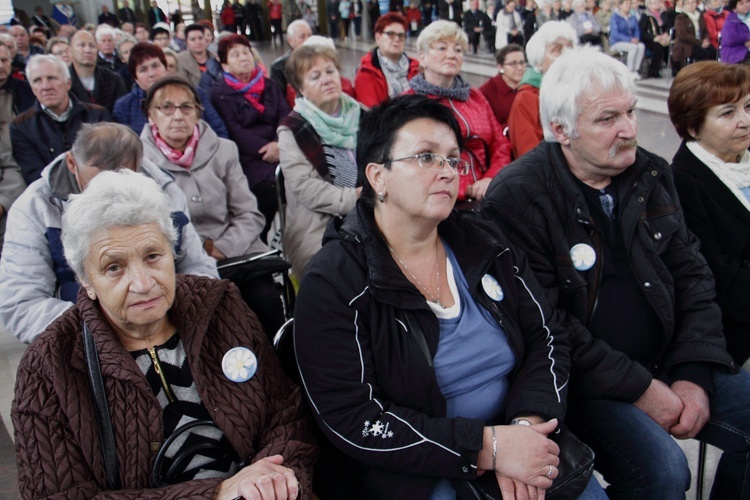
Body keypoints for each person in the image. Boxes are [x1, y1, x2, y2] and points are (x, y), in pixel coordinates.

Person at [294, 93, 605, 499]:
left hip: (519, 428)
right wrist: (485, 448)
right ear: (377, 176)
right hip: (412, 468)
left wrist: (525, 429)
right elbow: (353, 417)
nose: (446, 171)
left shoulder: (483, 241)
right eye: (425, 157)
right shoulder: (335, 280)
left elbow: (546, 335)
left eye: (452, 159)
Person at [481, 45, 750, 499]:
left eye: (630, 112)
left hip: (669, 357)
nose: (629, 130)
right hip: (585, 383)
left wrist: (694, 372)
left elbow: (693, 278)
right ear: (561, 130)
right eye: (608, 119)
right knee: (664, 472)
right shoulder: (519, 196)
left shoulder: (651, 173)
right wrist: (644, 389)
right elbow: (547, 325)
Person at [11, 167, 317, 498]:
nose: (143, 284)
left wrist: (273, 479)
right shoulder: (49, 366)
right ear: (86, 279)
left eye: (153, 256)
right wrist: (216, 493)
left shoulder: (220, 308)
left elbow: (286, 414)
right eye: (114, 268)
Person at [0, 122, 218, 344]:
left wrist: (169, 318)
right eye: (96, 183)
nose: (110, 194)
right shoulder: (33, 208)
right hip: (83, 342)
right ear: (72, 163)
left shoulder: (166, 191)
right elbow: (22, 303)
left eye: (124, 179)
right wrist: (108, 331)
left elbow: (198, 267)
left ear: (138, 165)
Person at [141, 76, 285, 336]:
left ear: (197, 113)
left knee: (266, 301)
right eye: (166, 107)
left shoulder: (223, 150)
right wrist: (197, 254)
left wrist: (222, 247)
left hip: (235, 254)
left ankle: (278, 372)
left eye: (186, 107)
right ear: (151, 115)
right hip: (181, 263)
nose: (177, 116)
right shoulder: (140, 162)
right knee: (206, 320)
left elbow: (249, 214)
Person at [668, 61, 750, 366]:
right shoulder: (682, 183)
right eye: (728, 113)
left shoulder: (746, 158)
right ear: (693, 126)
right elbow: (716, 277)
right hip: (734, 336)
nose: (744, 121)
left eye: (748, 107)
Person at [277, 44, 361, 278]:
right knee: (344, 272)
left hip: (370, 209)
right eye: (315, 76)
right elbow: (306, 188)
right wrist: (356, 198)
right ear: (300, 88)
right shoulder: (292, 129)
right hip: (318, 223)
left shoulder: (360, 114)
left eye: (330, 71)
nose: (326, 80)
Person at [406, 20, 511, 202]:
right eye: (441, 48)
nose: (451, 55)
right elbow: (413, 162)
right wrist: (463, 189)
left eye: (458, 50)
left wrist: (490, 179)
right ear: (422, 57)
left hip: (487, 193)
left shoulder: (475, 96)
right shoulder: (409, 102)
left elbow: (500, 144)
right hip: (439, 200)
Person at [210, 36, 289, 242]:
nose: (244, 58)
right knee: (267, 191)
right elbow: (234, 129)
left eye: (246, 52)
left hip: (280, 147)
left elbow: (284, 114)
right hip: (248, 155)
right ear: (225, 64)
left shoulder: (268, 84)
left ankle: (292, 238)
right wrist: (266, 148)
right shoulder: (220, 93)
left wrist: (279, 143)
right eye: (235, 55)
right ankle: (259, 240)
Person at [11, 55, 110, 184]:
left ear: (67, 83)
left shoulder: (97, 115)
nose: (46, 86)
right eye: (37, 80)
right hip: (51, 198)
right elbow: (35, 176)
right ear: (32, 89)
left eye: (51, 78)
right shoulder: (20, 127)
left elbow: (108, 162)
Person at [113, 43, 228, 137]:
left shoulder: (195, 94)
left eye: (155, 66)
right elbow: (125, 149)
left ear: (166, 68)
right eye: (143, 70)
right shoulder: (124, 106)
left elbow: (219, 132)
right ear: (135, 78)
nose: (151, 74)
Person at [507, 21, 576, 159]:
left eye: (570, 48)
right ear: (539, 60)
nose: (567, 55)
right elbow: (529, 156)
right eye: (557, 50)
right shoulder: (528, 98)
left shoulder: (576, 91)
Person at [0, 40, 31, 255]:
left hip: (21, 174)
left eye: (3, 60)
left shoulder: (24, 91)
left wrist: (2, 202)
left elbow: (10, 166)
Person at [354, 13, 420, 107]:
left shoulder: (416, 68)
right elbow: (371, 114)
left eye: (401, 35)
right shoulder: (367, 72)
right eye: (390, 34)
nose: (397, 39)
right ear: (378, 38)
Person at [69, 30, 127, 113]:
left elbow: (122, 112)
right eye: (82, 45)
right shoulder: (63, 81)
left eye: (92, 46)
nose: (87, 50)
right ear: (70, 51)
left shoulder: (113, 79)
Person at [479, 44, 526, 130]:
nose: (519, 68)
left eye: (521, 63)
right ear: (500, 67)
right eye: (513, 64)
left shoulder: (528, 87)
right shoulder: (486, 92)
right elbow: (484, 127)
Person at [270, 20, 312, 101]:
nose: (307, 40)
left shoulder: (321, 60)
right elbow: (278, 100)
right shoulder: (278, 66)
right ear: (290, 40)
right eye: (302, 36)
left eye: (309, 35)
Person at [176, 23, 222, 94]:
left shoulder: (216, 58)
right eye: (193, 39)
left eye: (200, 38)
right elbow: (183, 86)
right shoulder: (180, 60)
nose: (198, 42)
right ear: (187, 43)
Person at [673, 0, 716, 71]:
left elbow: (705, 31)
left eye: (692, 2)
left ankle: (711, 73)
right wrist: (700, 43)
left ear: (696, 4)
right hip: (686, 44)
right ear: (684, 6)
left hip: (701, 42)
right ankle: (700, 73)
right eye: (688, 3)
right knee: (703, 53)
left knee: (713, 51)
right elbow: (682, 35)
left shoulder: (700, 16)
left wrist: (705, 40)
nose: (690, 5)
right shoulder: (680, 18)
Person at [609, 0, 646, 80]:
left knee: (641, 46)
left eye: (629, 4)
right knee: (633, 47)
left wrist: (636, 38)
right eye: (626, 4)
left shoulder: (632, 17)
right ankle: (629, 70)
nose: (628, 6)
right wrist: (629, 40)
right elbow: (615, 34)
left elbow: (637, 30)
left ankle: (635, 70)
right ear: (620, 5)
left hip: (632, 41)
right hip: (617, 42)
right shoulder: (615, 17)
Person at [639, 0, 670, 78]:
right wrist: (653, 38)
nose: (657, 4)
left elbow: (668, 26)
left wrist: (666, 33)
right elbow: (642, 32)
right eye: (654, 3)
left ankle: (675, 69)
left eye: (657, 2)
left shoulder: (663, 15)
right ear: (649, 5)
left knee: (672, 45)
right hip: (650, 39)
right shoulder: (645, 16)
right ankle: (654, 70)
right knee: (657, 47)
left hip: (662, 38)